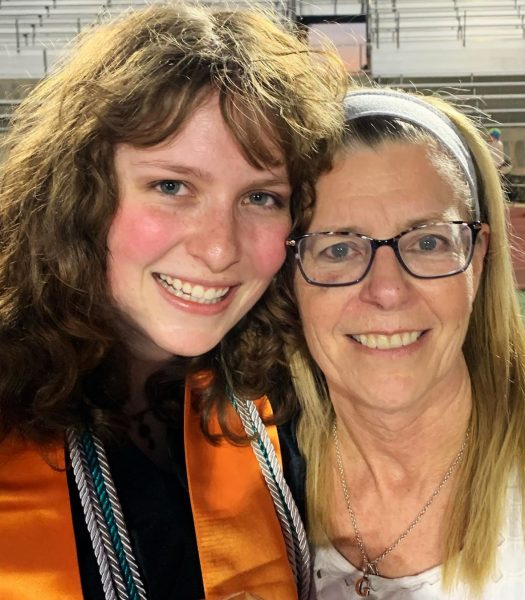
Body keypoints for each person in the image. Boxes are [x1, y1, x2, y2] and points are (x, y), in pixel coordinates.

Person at [0, 4, 347, 599]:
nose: (218, 250)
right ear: (82, 192)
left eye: (261, 197)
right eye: (171, 186)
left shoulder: (292, 397)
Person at [271, 87, 525, 598]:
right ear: (290, 278)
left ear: (477, 256)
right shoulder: (243, 471)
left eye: (428, 241)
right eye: (339, 248)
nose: (387, 291)